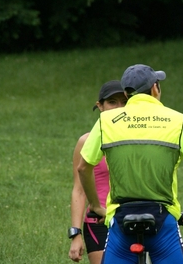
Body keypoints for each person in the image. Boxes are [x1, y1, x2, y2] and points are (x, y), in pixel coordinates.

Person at [77, 64, 183, 264]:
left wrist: (95, 206)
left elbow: (83, 168)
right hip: (164, 218)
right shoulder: (177, 120)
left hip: (120, 217)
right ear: (155, 88)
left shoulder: (106, 121)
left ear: (127, 93)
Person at [68, 80, 127, 264]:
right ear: (99, 106)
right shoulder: (86, 142)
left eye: (124, 102)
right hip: (98, 221)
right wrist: (75, 234)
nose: (119, 108)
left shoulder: (139, 140)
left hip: (131, 216)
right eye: (112, 102)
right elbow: (79, 190)